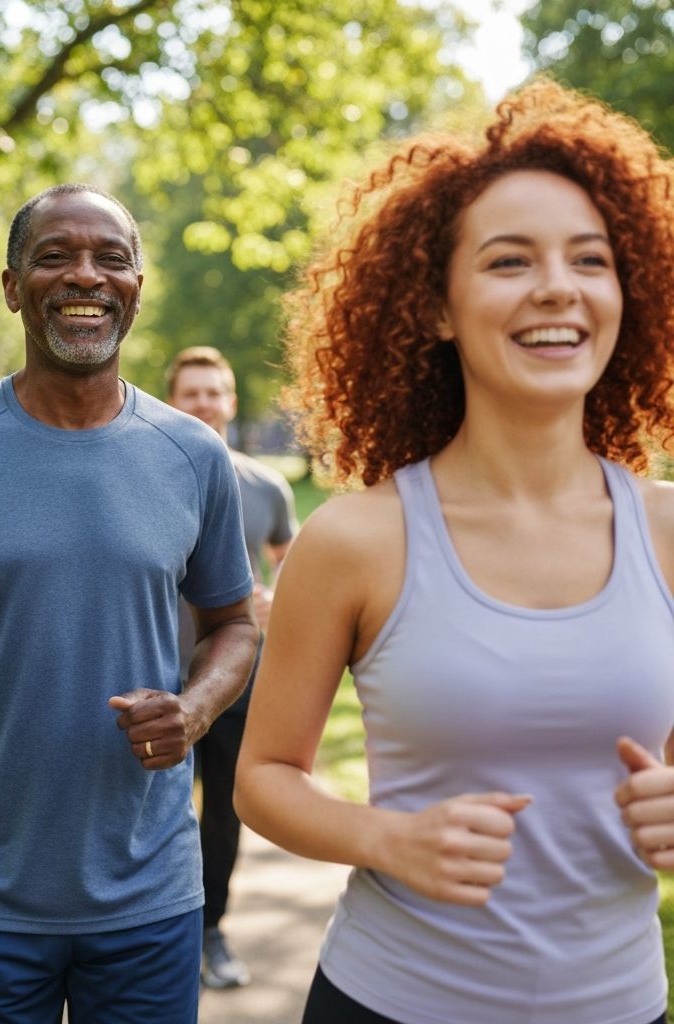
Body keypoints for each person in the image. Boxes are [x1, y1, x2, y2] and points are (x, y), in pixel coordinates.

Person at [234, 79, 674, 1024]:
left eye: (590, 259)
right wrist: (387, 839)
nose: (557, 286)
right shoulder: (355, 540)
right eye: (510, 261)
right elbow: (263, 778)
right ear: (435, 307)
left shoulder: (669, 533)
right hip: (390, 999)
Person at [0, 184, 259, 1024]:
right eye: (55, 256)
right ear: (11, 286)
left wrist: (197, 708)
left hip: (150, 889)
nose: (85, 276)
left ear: (137, 287)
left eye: (110, 258)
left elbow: (234, 623)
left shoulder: (193, 455)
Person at [165, 346, 298, 989]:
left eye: (213, 392)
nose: (203, 403)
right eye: (191, 393)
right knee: (158, 812)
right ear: (172, 400)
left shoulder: (266, 485)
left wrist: (279, 600)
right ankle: (160, 935)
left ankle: (210, 929)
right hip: (157, 675)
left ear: (231, 400)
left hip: (236, 678)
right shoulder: (147, 470)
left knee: (224, 811)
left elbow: (294, 566)